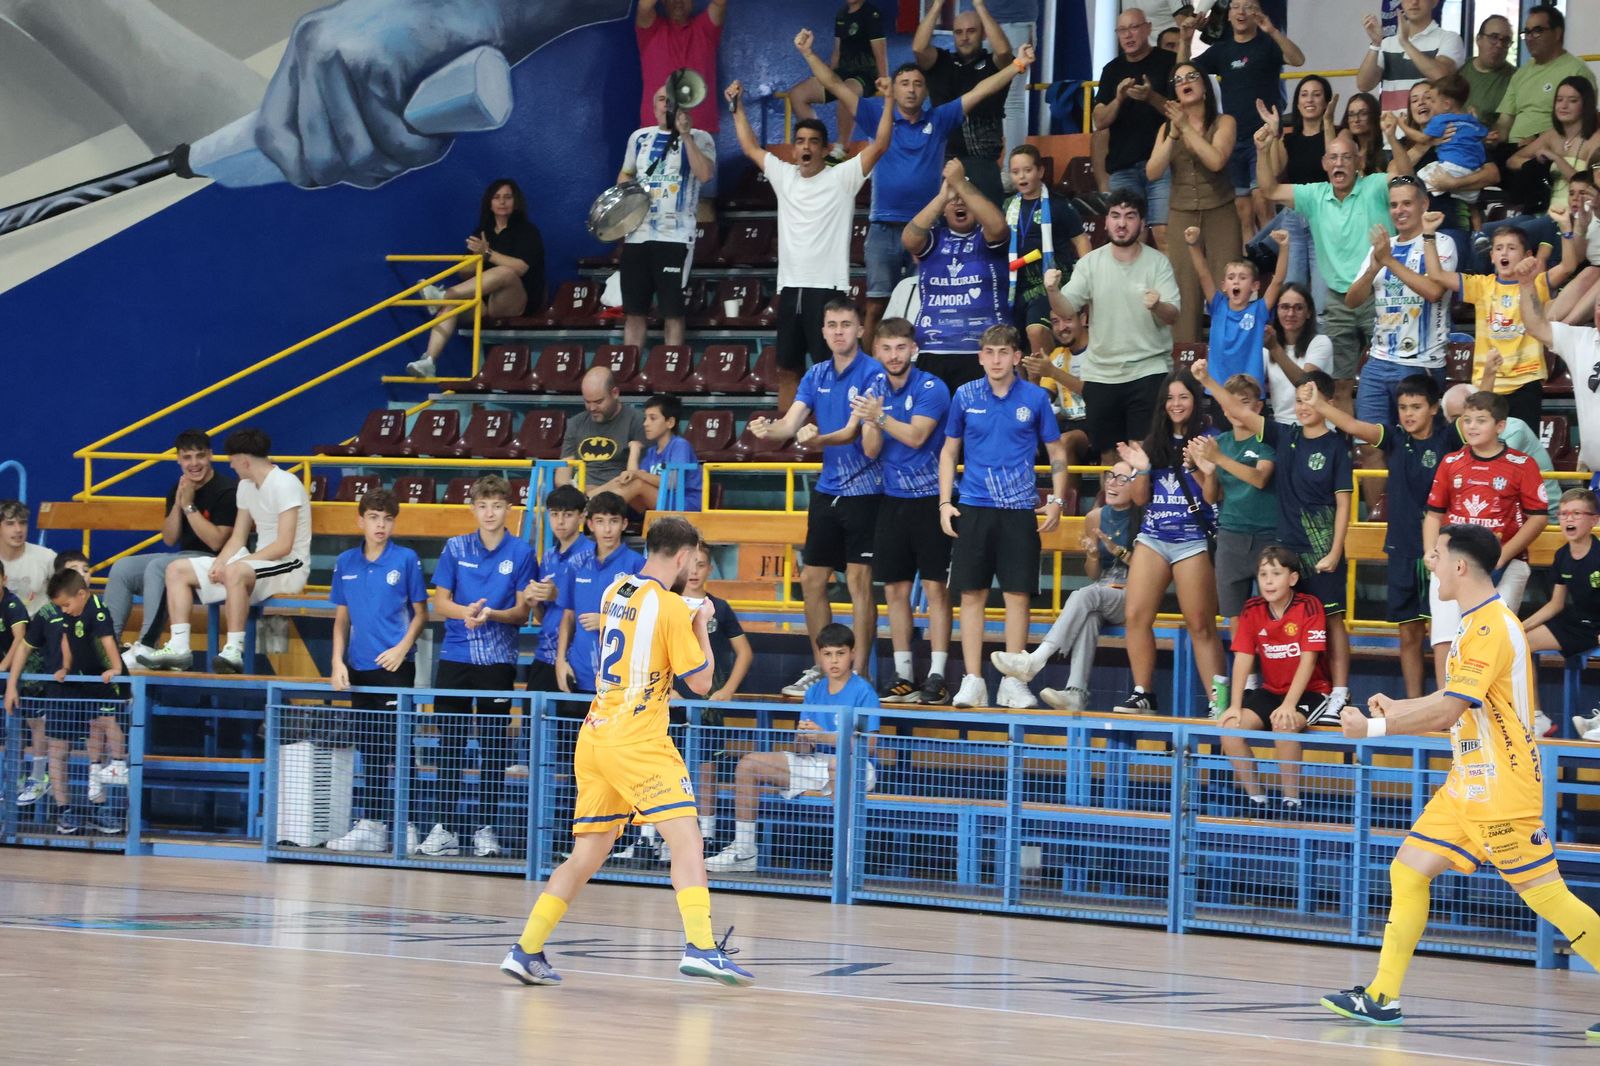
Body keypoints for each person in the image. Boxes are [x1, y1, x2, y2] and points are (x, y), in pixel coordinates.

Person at [1319, 523, 1600, 1041]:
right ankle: (1382, 996)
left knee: (1549, 898)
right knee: (1407, 872)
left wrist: (1374, 728)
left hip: (1502, 790)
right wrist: (1400, 705)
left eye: (1437, 554)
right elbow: (1457, 708)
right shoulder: (1474, 624)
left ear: (1461, 566)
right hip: (1466, 783)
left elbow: (1449, 707)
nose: (1430, 562)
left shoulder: (1492, 627)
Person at [502, 516, 753, 987]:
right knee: (688, 840)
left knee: (587, 854)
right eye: (692, 561)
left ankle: (526, 948)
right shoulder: (673, 607)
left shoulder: (615, 591)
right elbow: (700, 684)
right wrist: (699, 625)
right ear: (682, 557)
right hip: (638, 739)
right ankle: (701, 947)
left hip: (595, 734)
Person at [799, 32, 1035, 344]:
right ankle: (871, 375)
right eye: (905, 83)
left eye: (918, 84)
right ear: (894, 90)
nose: (911, 89)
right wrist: (808, 53)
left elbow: (980, 90)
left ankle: (917, 368)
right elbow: (834, 84)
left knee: (923, 303)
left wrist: (1017, 64)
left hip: (926, 232)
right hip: (882, 226)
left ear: (925, 92)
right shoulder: (876, 116)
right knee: (875, 306)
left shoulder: (939, 119)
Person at [1196, 360, 1354, 718]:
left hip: (1323, 550)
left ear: (1328, 403)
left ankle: (1340, 694)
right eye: (1298, 400)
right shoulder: (1285, 436)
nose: (1302, 407)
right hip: (1289, 549)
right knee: (1297, 627)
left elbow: (1344, 504)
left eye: (1310, 400)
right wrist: (1207, 379)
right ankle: (1304, 693)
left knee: (1331, 620)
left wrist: (1334, 551)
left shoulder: (1336, 447)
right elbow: (1238, 410)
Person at [726, 78, 890, 412]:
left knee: (830, 370)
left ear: (825, 149)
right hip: (790, 289)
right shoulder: (784, 175)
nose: (805, 147)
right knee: (787, 368)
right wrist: (737, 106)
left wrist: (887, 102)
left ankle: (828, 437)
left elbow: (882, 144)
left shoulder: (842, 177)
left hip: (827, 291)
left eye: (813, 142)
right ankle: (789, 442)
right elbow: (750, 147)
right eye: (799, 141)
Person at [748, 298, 887, 690]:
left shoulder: (874, 373)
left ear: (860, 330)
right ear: (823, 332)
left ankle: (858, 672)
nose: (839, 330)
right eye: (831, 324)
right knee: (812, 580)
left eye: (846, 324)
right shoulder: (816, 374)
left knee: (859, 581)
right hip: (828, 491)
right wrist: (767, 429)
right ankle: (822, 668)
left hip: (866, 491)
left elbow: (850, 433)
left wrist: (815, 439)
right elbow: (790, 424)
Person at [939, 324, 1068, 709]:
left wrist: (1058, 500)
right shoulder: (963, 396)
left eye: (1003, 352)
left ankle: (1013, 683)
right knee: (971, 594)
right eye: (989, 352)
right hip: (974, 506)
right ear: (980, 357)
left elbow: (1057, 453)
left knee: (1016, 594)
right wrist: (945, 502)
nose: (996, 360)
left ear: (1016, 356)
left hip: (1018, 510)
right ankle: (973, 680)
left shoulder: (1036, 397)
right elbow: (948, 453)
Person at [1302, 374, 1453, 699]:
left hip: (1443, 552)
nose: (1408, 413)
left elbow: (1475, 410)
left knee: (1444, 637)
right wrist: (1320, 406)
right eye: (1402, 407)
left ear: (1434, 408)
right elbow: (1355, 426)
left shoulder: (1449, 439)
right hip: (1401, 548)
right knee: (1409, 634)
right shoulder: (1394, 438)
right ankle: (1415, 706)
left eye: (1416, 406)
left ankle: (1447, 706)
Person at [424, 474, 538, 859]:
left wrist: (492, 615)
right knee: (450, 743)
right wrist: (466, 612)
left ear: (509, 509)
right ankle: (445, 829)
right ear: (473, 508)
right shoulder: (455, 547)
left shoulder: (521, 552)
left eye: (497, 505)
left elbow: (523, 612)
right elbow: (440, 603)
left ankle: (486, 829)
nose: (489, 513)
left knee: (492, 745)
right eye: (483, 505)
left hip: (498, 660)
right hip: (455, 656)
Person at [706, 621, 878, 873]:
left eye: (840, 653)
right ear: (819, 655)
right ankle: (744, 851)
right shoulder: (814, 691)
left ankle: (845, 858)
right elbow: (804, 750)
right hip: (816, 761)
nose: (834, 661)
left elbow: (870, 746)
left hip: (856, 766)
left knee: (836, 765)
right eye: (828, 654)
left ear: (852, 654)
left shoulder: (864, 691)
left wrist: (826, 738)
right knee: (748, 765)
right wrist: (803, 740)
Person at [1256, 127, 1408, 410]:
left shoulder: (1374, 185)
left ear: (1359, 163)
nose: (1339, 163)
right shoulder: (1315, 195)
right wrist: (1263, 150)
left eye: (1347, 158)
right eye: (1333, 158)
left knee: (1394, 379)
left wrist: (1393, 139)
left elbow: (1407, 179)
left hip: (1383, 295)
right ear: (1325, 164)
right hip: (1338, 299)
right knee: (1339, 384)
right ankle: (1351, 447)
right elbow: (1269, 189)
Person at [138, 428, 310, 674]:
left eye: (232, 461)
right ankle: (178, 647)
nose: (230, 467)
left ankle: (232, 650)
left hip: (290, 564)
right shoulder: (246, 487)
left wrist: (236, 565)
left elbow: (284, 545)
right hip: (258, 563)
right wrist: (220, 561)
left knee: (236, 572)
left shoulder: (286, 484)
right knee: (176, 569)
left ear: (244, 460)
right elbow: (238, 537)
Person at [851, 317, 953, 705]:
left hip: (932, 499)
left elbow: (916, 436)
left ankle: (938, 675)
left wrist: (878, 417)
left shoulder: (932, 387)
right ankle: (904, 675)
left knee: (934, 589)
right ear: (877, 351)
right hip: (892, 499)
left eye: (900, 348)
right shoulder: (873, 388)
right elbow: (872, 449)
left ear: (913, 349)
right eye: (886, 348)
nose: (893, 356)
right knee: (893, 588)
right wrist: (874, 420)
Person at [1112, 368, 1225, 714]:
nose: (1176, 404)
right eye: (1171, 398)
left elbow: (1213, 497)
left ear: (1195, 400)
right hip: (1153, 535)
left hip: (1192, 537)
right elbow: (1140, 498)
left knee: (1200, 623)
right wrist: (1142, 469)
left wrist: (1202, 467)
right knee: (1135, 615)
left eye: (1184, 397)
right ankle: (1143, 692)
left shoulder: (1210, 438)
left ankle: (1219, 702)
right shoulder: (1153, 441)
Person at [324, 489, 428, 855]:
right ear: (360, 521)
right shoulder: (346, 562)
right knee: (369, 748)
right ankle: (371, 823)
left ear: (394, 522)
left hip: (395, 668)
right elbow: (341, 620)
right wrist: (338, 662)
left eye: (386, 518)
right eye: (373, 517)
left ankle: (407, 825)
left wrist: (401, 650)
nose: (380, 525)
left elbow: (421, 613)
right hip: (360, 668)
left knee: (399, 749)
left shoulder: (406, 559)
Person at [990, 460, 1141, 711]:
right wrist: (1093, 556)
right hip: (1104, 588)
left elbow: (1151, 573)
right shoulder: (1095, 517)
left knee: (1084, 597)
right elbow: (1094, 575)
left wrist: (1121, 553)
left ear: (1136, 486)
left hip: (1134, 590)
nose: (1112, 483)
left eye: (1122, 479)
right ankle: (1076, 692)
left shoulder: (1144, 515)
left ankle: (1035, 660)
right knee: (1090, 615)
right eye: (1110, 476)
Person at [1423, 390, 1549, 687]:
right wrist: (1431, 551)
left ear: (1501, 426)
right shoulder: (1451, 462)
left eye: (1481, 420)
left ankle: (1490, 708)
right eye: (1467, 420)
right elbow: (1433, 514)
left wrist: (1502, 556)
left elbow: (1539, 518)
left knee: (1494, 637)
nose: (1472, 426)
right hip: (1453, 563)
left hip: (1508, 564)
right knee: (1444, 636)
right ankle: (1447, 710)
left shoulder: (1523, 464)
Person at [1047, 190, 1181, 465]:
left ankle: (1142, 509)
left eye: (1130, 216)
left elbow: (1173, 315)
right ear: (1105, 222)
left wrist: (1157, 305)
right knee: (1110, 458)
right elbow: (1066, 309)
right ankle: (1114, 509)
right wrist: (1052, 290)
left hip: (1148, 368)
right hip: (1101, 374)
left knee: (1142, 454)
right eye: (1115, 216)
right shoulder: (1089, 263)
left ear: (1142, 223)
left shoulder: (1158, 263)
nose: (1122, 223)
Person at [1422, 214, 1582, 427]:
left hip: (1525, 381)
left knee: (1521, 451)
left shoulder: (1537, 284)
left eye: (1511, 248)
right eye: (1498, 248)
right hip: (1488, 382)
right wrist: (1429, 234)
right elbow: (1436, 274)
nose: (1504, 252)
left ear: (1527, 255)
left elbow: (1569, 266)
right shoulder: (1480, 285)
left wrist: (1565, 228)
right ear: (1492, 257)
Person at [1176, 0, 1305, 237]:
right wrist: (1185, 40)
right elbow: (1183, 72)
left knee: (1262, 202)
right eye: (1235, 6)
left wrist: (1273, 31)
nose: (1241, 12)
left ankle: (1275, 264)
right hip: (1233, 139)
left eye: (1248, 6)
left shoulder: (1267, 44)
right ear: (1228, 15)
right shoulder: (1222, 49)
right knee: (1243, 211)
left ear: (1257, 12)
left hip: (1263, 137)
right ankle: (1251, 265)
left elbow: (1298, 59)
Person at [110, 429, 237, 670]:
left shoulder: (226, 490)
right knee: (123, 568)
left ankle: (147, 645)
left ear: (210, 455)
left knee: (160, 567)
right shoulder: (178, 488)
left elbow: (217, 542)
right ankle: (107, 647)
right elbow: (170, 538)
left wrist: (189, 506)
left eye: (199, 456)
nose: (194, 464)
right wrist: (179, 503)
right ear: (178, 459)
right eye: (187, 458)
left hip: (217, 562)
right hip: (183, 558)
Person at [1219, 545, 1331, 813]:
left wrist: (1290, 704)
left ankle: (1292, 800)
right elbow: (1243, 657)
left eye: (1276, 573)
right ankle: (1256, 799)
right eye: (1263, 574)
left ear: (1292, 579)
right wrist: (1234, 706)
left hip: (1311, 692)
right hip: (1271, 691)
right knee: (1229, 730)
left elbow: (1309, 659)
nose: (1268, 581)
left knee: (1284, 725)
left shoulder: (1309, 606)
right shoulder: (1252, 609)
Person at [406, 179, 544, 377]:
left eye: (507, 197)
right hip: (487, 302)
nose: (502, 202)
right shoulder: (482, 232)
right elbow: (466, 274)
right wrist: (476, 257)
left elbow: (521, 268)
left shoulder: (528, 231)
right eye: (497, 197)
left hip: (518, 300)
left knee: (506, 272)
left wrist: (488, 253)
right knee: (454, 305)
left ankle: (442, 295)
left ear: (516, 201)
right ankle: (428, 360)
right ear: (489, 202)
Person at [616, 85, 716, 353]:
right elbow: (625, 175)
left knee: (672, 311)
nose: (666, 105)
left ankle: (670, 372)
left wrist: (685, 136)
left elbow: (705, 174)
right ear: (654, 106)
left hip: (675, 236)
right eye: (661, 99)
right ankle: (630, 368)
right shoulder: (638, 138)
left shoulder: (701, 137)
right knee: (634, 311)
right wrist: (628, 198)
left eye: (671, 101)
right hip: (637, 234)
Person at [1149, 59, 1240, 343]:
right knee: (1183, 293)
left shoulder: (1224, 121)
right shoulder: (1167, 129)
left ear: (1205, 85)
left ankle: (1230, 362)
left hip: (1221, 214)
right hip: (1182, 215)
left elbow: (1215, 161)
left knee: (1229, 289)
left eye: (1191, 76)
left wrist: (1186, 129)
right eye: (1178, 80)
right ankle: (1184, 367)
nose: (1184, 82)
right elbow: (1152, 172)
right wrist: (1173, 134)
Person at [904, 157, 1010, 393]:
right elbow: (909, 240)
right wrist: (943, 196)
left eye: (966, 197)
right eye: (955, 199)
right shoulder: (934, 238)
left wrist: (960, 183)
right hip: (933, 352)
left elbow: (999, 227)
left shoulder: (986, 236)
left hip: (983, 353)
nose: (959, 202)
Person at [1190, 375, 1278, 637]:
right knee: (1234, 615)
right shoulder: (1221, 442)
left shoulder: (1267, 438)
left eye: (1245, 402)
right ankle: (1247, 678)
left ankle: (1275, 674)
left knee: (1273, 611)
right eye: (1232, 402)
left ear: (1258, 407)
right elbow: (1211, 497)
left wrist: (1218, 459)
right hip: (1231, 534)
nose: (1238, 409)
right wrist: (1206, 471)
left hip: (1268, 535)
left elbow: (1260, 479)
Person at [45, 566, 127, 834]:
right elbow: (67, 642)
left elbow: (108, 641)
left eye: (67, 604)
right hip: (87, 677)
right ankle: (96, 773)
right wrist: (66, 668)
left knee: (107, 720)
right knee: (93, 724)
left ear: (81, 594)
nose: (65, 610)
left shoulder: (97, 609)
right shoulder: (70, 613)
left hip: (107, 679)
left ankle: (117, 764)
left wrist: (115, 669)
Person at [911, 0, 1014, 200]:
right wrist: (938, 5)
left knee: (989, 229)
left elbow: (1003, 52)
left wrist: (980, 7)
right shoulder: (941, 62)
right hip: (944, 161)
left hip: (983, 163)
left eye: (971, 31)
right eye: (958, 32)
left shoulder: (993, 65)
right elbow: (918, 48)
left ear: (983, 34)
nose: (964, 37)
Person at [1092, 9, 1177, 249]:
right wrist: (1118, 99)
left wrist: (1151, 97)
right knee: (1127, 237)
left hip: (1163, 165)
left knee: (1164, 234)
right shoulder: (1111, 70)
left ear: (1148, 28)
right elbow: (1100, 120)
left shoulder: (1167, 62)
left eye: (1134, 27)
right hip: (1123, 167)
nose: (1128, 35)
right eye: (1122, 30)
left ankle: (1170, 287)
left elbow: (1181, 113)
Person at [555, 492, 647, 696]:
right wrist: (560, 661)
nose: (607, 529)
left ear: (624, 524)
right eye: (600, 521)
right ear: (590, 525)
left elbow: (646, 619)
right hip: (579, 672)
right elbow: (568, 615)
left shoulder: (637, 566)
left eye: (613, 521)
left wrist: (607, 621)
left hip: (621, 678)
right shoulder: (576, 564)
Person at [1250, 75, 1334, 293]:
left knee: (1321, 291)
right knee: (1293, 286)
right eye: (1304, 95)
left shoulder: (1337, 132)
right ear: (1297, 103)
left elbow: (1335, 165)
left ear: (1326, 102)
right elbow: (1276, 172)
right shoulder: (1290, 139)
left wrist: (1328, 123)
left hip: (1324, 216)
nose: (1310, 100)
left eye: (1317, 95)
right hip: (1294, 218)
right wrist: (1275, 130)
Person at [1519, 250, 1600, 475]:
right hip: (1596, 475)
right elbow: (1536, 326)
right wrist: (1526, 285)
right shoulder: (1581, 340)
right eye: (1599, 305)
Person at [1004, 145, 1090, 356]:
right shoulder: (1007, 206)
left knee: (1036, 331)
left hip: (1051, 287)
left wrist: (1088, 278)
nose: (1022, 177)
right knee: (1010, 343)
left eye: (1028, 170)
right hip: (1016, 287)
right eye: (1015, 172)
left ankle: (1041, 388)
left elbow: (1081, 241)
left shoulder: (1059, 205)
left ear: (1040, 171)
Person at [1182, 225, 1288, 387]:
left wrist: (1284, 247)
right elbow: (1203, 274)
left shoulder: (1259, 310)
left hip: (1250, 391)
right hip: (1218, 389)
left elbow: (1278, 281)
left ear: (1255, 286)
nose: (1236, 281)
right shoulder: (1218, 305)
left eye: (1242, 277)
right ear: (1224, 285)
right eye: (1231, 277)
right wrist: (1193, 245)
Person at [1492, 6, 1596, 154]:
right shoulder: (1521, 73)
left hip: (1549, 150)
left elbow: (1583, 123)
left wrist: (1539, 139)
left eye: (1537, 31)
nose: (1529, 38)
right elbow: (1505, 120)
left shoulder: (1576, 71)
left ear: (1557, 33)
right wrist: (1493, 136)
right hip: (1512, 148)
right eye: (1527, 32)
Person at [523, 485, 595, 695]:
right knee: (532, 724)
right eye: (555, 514)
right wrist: (533, 603)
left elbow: (585, 607)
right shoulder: (548, 557)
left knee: (572, 727)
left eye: (568, 515)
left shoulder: (592, 555)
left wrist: (558, 595)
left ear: (582, 517)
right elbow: (545, 616)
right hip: (544, 655)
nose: (560, 521)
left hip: (577, 659)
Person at [785, 0, 887, 141]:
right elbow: (837, 51)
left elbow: (880, 52)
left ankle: (841, 147)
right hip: (842, 73)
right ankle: (818, 141)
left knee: (845, 92)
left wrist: (884, 81)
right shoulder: (841, 15)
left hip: (865, 74)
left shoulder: (871, 13)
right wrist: (829, 75)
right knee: (797, 95)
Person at [1522, 488, 1600, 673]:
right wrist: (1521, 626)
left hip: (1596, 626)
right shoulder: (1562, 555)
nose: (1569, 519)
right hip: (1576, 623)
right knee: (1518, 644)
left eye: (1576, 513)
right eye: (1563, 514)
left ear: (1594, 520)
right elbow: (1556, 604)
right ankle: (1530, 703)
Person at [1505, 76, 1600, 219]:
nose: (1563, 106)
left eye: (1572, 101)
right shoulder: (1551, 135)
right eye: (1559, 100)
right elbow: (1512, 161)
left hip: (1578, 215)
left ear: (1586, 105)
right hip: (1545, 211)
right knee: (1491, 229)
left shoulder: (1596, 138)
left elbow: (1586, 184)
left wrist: (1556, 159)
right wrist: (1540, 164)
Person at [594, 395, 702, 513]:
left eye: (653, 418)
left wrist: (639, 474)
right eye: (645, 418)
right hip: (661, 502)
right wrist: (634, 451)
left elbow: (673, 482)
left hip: (685, 503)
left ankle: (597, 513)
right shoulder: (651, 451)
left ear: (670, 422)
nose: (645, 423)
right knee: (624, 480)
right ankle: (589, 501)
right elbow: (632, 478)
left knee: (638, 484)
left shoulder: (680, 445)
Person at [1354, 0, 1464, 113]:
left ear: (1435, 2)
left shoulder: (1449, 38)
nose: (1414, 2)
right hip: (1392, 128)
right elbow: (1363, 85)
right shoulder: (1387, 43)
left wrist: (1405, 43)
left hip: (1430, 129)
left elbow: (1442, 75)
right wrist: (1376, 44)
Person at [635, 0, 726, 134]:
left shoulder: (706, 29)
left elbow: (720, 3)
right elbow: (644, 6)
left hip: (700, 132)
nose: (678, 1)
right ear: (663, 2)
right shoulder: (650, 30)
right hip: (656, 130)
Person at [556, 367, 646, 492]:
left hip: (619, 493)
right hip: (581, 492)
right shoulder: (575, 423)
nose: (592, 408)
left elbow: (639, 474)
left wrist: (597, 492)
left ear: (615, 393)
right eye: (587, 402)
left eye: (598, 402)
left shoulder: (638, 421)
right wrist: (573, 495)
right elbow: (563, 474)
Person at [1411, 74, 1490, 205]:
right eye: (1414, 100)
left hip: (1457, 208)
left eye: (1429, 98)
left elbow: (1492, 175)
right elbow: (1394, 179)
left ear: (1446, 103)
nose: (1422, 103)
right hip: (1421, 207)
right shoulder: (1403, 142)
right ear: (1410, 109)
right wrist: (1426, 143)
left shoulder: (1465, 135)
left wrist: (1454, 183)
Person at [1263, 283, 1333, 427]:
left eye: (1298, 308)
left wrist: (1275, 348)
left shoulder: (1321, 342)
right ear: (1276, 311)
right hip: (1281, 426)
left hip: (1316, 426)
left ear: (1308, 313)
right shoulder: (1266, 348)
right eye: (1284, 307)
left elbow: (1305, 385)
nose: (1290, 313)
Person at [0, 499, 55, 617]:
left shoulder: (47, 558)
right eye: (10, 523)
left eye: (23, 523)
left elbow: (68, 594)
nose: (18, 529)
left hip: (38, 629)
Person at [1460, 15, 1515, 133]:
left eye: (1505, 40)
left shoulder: (1515, 77)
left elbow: (1504, 127)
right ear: (1478, 39)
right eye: (1494, 37)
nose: (1499, 45)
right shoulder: (1459, 67)